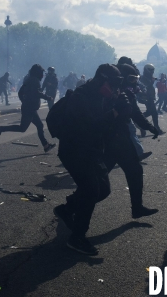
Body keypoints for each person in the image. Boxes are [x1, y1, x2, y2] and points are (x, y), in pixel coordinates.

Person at [53, 64, 125, 255]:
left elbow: (107, 125)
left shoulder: (103, 96)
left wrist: (119, 106)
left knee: (103, 190)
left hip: (92, 151)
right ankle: (77, 237)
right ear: (102, 79)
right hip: (74, 150)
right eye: (113, 83)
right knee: (91, 190)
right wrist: (114, 112)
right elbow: (91, 125)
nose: (115, 88)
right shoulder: (81, 96)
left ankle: (67, 209)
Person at [104, 64, 160, 218]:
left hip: (119, 139)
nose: (133, 82)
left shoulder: (123, 93)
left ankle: (137, 208)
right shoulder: (110, 93)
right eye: (130, 79)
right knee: (99, 181)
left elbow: (135, 113)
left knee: (134, 171)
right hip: (107, 140)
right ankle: (71, 207)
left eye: (135, 79)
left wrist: (150, 127)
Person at [0, 64, 56, 153]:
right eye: (41, 73)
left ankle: (46, 146)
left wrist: (25, 102)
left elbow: (20, 93)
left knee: (40, 125)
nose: (42, 75)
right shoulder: (35, 81)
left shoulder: (28, 80)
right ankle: (0, 129)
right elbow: (37, 93)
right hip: (30, 109)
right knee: (22, 128)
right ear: (37, 73)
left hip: (30, 108)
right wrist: (48, 98)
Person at [140, 64, 163, 134]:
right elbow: (145, 86)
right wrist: (152, 82)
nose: (152, 72)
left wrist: (160, 79)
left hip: (150, 97)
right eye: (151, 70)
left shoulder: (149, 77)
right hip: (146, 97)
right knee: (153, 113)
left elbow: (156, 79)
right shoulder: (143, 78)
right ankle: (155, 128)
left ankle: (141, 123)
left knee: (150, 112)